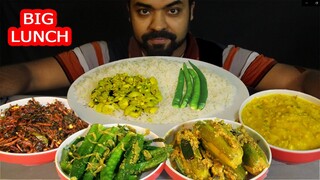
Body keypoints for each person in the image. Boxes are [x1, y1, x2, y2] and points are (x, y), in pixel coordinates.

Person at [0, 0, 319, 100]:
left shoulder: (223, 58)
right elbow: (27, 74)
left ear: (192, 11)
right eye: (143, 11)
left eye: (173, 10)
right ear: (128, 13)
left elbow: (297, 82)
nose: (157, 25)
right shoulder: (101, 55)